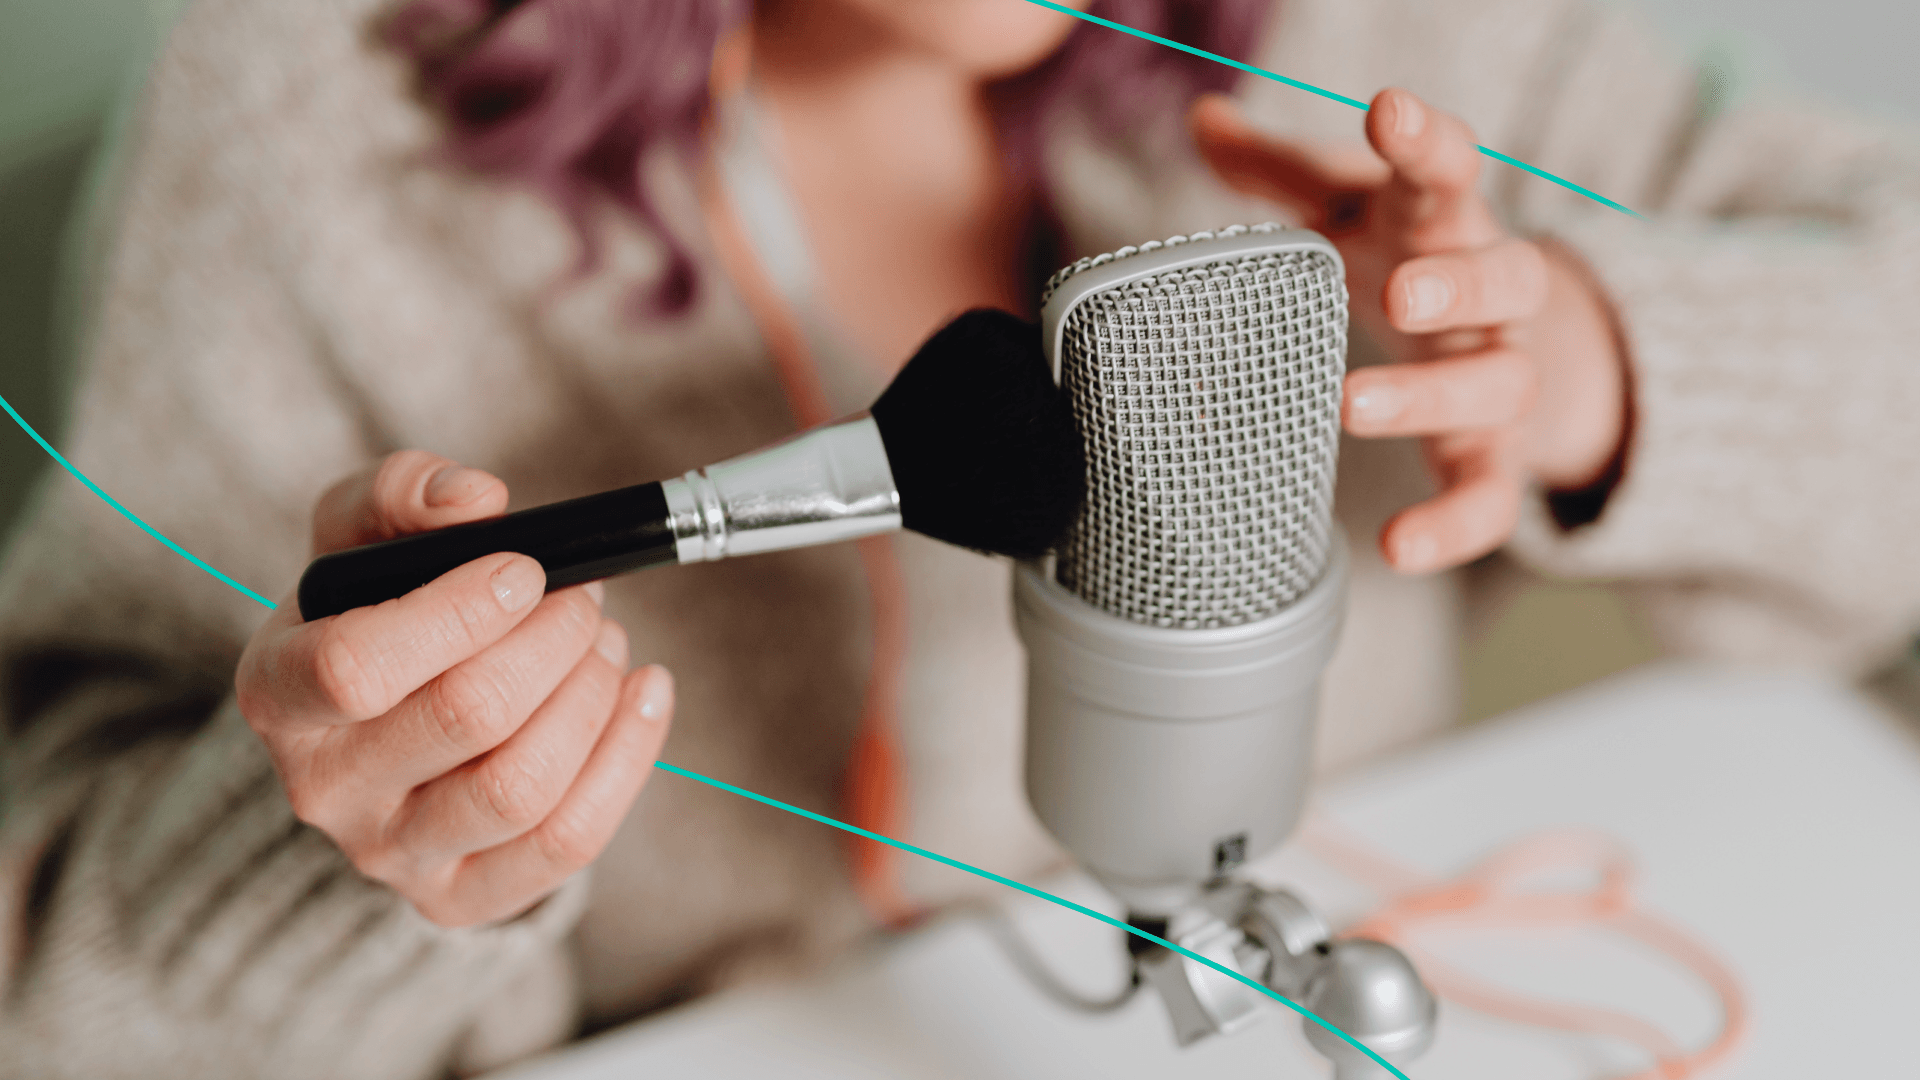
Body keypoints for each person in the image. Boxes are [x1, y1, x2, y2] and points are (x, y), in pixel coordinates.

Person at [1, 0, 1916, 1076]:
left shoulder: (1397, 32)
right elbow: (59, 983)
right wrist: (354, 854)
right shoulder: (291, 126)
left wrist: (1597, 360)